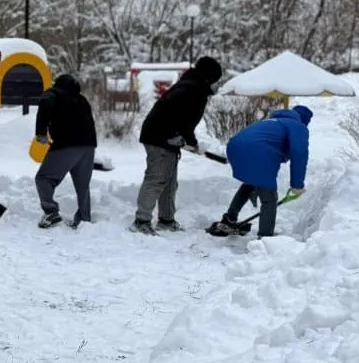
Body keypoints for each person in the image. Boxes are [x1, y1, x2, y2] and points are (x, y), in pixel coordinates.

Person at [131, 55, 223, 234]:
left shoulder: (190, 85)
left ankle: (166, 220)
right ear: (208, 77)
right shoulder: (193, 90)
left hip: (166, 136)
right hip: (159, 137)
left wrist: (185, 139)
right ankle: (141, 221)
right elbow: (182, 119)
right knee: (157, 178)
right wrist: (188, 140)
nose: (215, 84)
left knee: (170, 182)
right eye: (215, 80)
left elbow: (180, 119)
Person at [209, 105, 311, 238]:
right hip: (259, 152)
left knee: (250, 183)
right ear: (304, 120)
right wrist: (297, 185)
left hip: (235, 148)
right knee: (269, 198)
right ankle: (265, 237)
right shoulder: (297, 126)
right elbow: (300, 154)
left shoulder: (271, 122)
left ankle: (229, 219)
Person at [33, 74, 98, 229]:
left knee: (43, 178)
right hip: (89, 146)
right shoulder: (82, 99)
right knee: (83, 185)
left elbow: (45, 102)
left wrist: (41, 132)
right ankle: (84, 218)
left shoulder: (54, 94)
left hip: (67, 144)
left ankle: (51, 212)